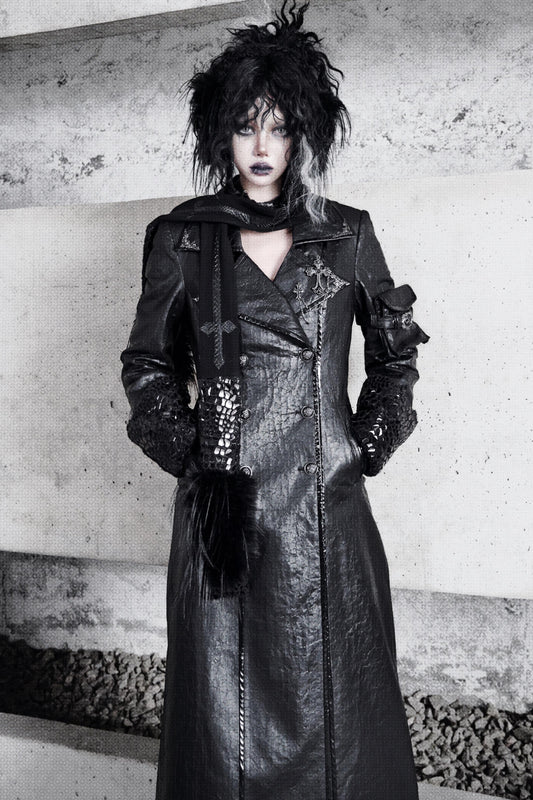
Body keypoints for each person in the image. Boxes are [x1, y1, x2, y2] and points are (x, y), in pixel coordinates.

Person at [120, 2, 429, 798]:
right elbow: (148, 364)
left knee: (340, 699)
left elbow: (394, 356)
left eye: (279, 128)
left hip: (324, 505)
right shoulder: (183, 237)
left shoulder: (346, 232)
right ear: (218, 136)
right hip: (223, 512)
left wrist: (360, 446)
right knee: (221, 708)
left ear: (304, 135)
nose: (261, 148)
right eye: (244, 127)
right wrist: (198, 460)